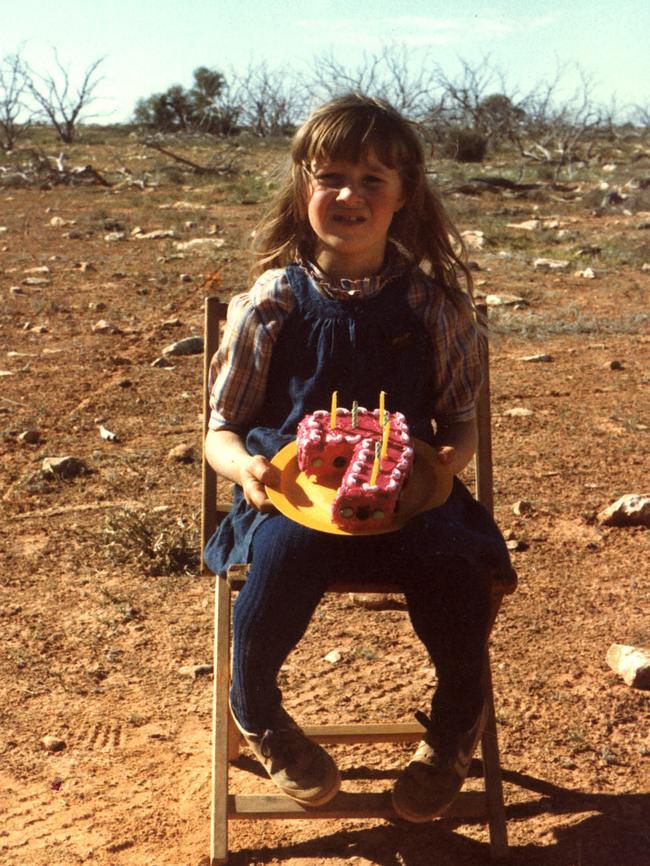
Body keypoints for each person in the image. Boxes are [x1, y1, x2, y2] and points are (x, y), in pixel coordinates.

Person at [204, 93, 516, 822]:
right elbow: (221, 429)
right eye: (332, 176)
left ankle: (452, 729)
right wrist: (243, 468)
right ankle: (257, 708)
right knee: (279, 553)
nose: (350, 194)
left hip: (405, 494)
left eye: (374, 179)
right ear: (301, 186)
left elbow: (462, 417)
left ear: (405, 195)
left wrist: (450, 458)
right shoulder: (272, 302)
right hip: (293, 496)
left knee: (454, 560)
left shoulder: (432, 306)